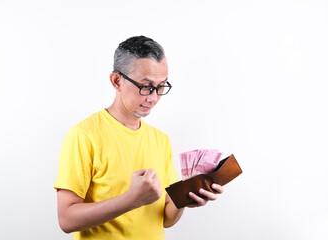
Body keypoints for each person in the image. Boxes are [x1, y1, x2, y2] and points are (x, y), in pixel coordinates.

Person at [54, 36, 224, 240]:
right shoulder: (83, 135)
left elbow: (165, 218)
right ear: (117, 81)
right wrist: (131, 199)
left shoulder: (160, 140)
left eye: (161, 86)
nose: (153, 97)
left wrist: (184, 199)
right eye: (146, 86)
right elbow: (66, 219)